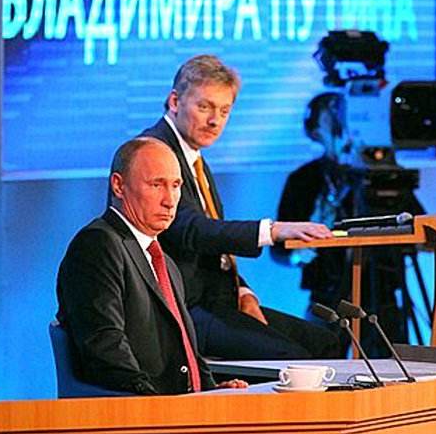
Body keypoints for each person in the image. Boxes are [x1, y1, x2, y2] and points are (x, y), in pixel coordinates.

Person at [142, 54, 341, 360]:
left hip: (218, 298)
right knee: (294, 359)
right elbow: (190, 229)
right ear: (175, 101)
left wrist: (244, 291)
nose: (215, 121)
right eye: (205, 107)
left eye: (224, 111)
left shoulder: (192, 154)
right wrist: (272, 231)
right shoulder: (155, 152)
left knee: (325, 343)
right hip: (183, 308)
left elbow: (214, 244)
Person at [56, 137, 247, 395]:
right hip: (135, 408)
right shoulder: (97, 245)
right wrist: (159, 406)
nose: (170, 200)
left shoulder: (164, 262)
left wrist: (211, 392)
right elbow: (106, 349)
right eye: (156, 184)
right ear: (119, 186)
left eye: (176, 185)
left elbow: (185, 351)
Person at [272, 92, 421, 357]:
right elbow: (279, 249)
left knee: (392, 372)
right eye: (333, 123)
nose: (343, 131)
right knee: (321, 367)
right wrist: (301, 252)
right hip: (327, 296)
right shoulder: (303, 180)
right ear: (315, 131)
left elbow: (418, 227)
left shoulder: (379, 176)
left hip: (381, 295)